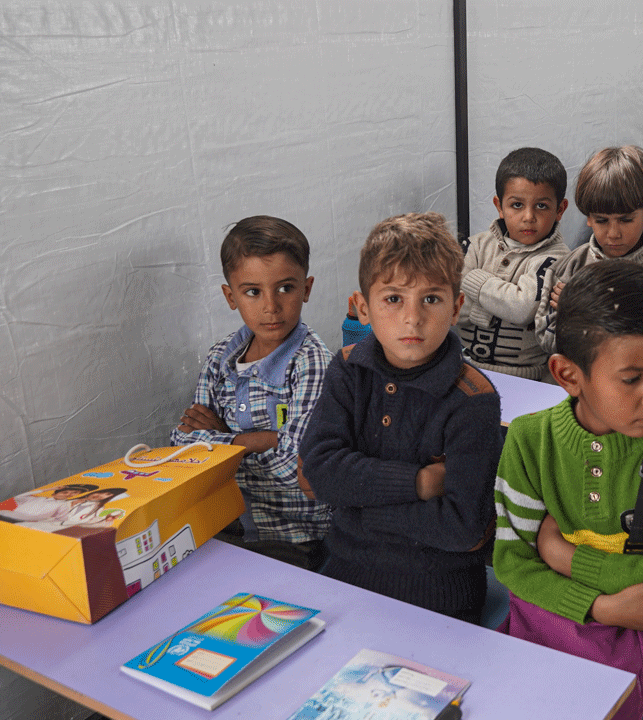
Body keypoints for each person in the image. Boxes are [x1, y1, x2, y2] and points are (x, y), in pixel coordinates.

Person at [494, 260, 643, 720]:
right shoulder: (529, 440)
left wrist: (561, 555)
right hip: (548, 635)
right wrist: (604, 608)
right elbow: (512, 563)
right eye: (632, 378)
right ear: (568, 375)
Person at [299, 213, 502, 623]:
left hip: (440, 597)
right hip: (344, 576)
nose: (413, 318)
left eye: (431, 298)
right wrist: (418, 483)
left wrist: (356, 507)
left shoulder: (473, 399)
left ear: (457, 307)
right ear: (363, 308)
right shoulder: (347, 370)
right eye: (393, 298)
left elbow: (461, 528)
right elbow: (318, 473)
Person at [170, 215, 332, 570]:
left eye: (286, 288)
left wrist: (224, 440)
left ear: (307, 288)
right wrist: (268, 439)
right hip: (227, 526)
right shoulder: (220, 357)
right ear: (231, 296)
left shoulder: (312, 363)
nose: (271, 306)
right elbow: (183, 447)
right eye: (253, 292)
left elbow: (297, 467)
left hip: (297, 537)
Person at [535, 146, 643, 353]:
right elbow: (548, 340)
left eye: (625, 220)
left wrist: (582, 311)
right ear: (589, 218)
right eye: (602, 220)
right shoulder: (568, 265)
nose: (613, 233)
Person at [459, 147, 570, 380]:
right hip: (467, 368)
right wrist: (497, 307)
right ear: (499, 206)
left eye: (541, 206)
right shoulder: (476, 245)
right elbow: (450, 305)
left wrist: (472, 280)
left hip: (530, 378)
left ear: (560, 209)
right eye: (517, 205)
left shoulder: (557, 259)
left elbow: (522, 308)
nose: (528, 216)